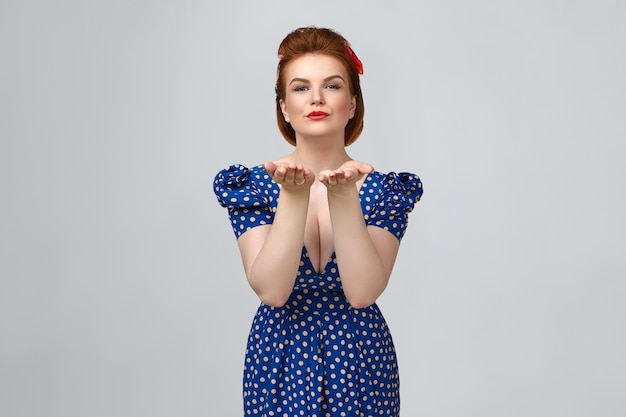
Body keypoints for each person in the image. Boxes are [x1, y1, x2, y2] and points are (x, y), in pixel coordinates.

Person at [213, 26, 423, 417]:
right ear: (283, 107)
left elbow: (362, 293)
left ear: (353, 103)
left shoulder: (385, 191)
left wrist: (345, 199)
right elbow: (273, 292)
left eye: (332, 85)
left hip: (361, 359)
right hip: (278, 355)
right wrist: (294, 196)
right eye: (300, 87)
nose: (316, 98)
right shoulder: (253, 186)